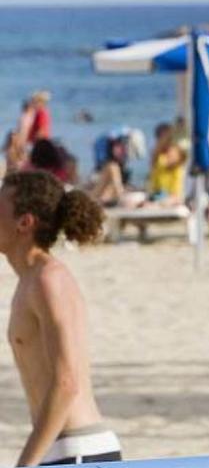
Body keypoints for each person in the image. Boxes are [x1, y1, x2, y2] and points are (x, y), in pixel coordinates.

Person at [1, 171, 122, 466]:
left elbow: (67, 382)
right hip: (63, 450)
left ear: (24, 222)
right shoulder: (31, 280)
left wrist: (25, 466)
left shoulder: (48, 280)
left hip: (79, 451)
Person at [148, 122, 186, 205]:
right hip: (159, 193)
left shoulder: (173, 151)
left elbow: (170, 164)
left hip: (174, 194)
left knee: (159, 202)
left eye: (159, 137)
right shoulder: (159, 154)